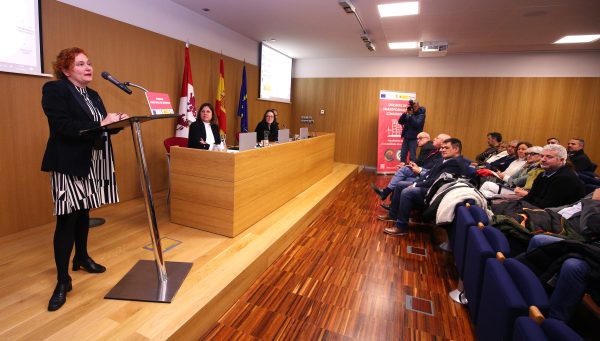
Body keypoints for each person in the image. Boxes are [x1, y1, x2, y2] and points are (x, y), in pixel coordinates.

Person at [41, 47, 128, 311]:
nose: (88, 67)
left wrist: (116, 123)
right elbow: (63, 127)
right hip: (68, 162)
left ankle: (81, 258)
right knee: (67, 219)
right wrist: (102, 124)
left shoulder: (94, 94)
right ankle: (62, 280)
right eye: (80, 64)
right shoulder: (55, 90)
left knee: (83, 213)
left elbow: (99, 129)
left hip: (92, 162)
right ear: (66, 69)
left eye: (89, 62)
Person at [382, 138, 468, 236]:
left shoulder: (455, 163)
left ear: (456, 149)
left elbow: (436, 182)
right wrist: (416, 183)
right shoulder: (445, 160)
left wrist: (415, 185)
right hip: (429, 186)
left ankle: (401, 227)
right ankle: (392, 215)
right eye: (442, 147)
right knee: (400, 184)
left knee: (407, 192)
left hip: (435, 192)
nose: (442, 150)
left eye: (446, 148)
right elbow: (428, 175)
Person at [371, 132, 446, 202]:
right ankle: (390, 201)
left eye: (420, 138)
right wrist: (409, 165)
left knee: (403, 173)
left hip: (424, 175)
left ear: (426, 138)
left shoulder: (428, 146)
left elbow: (423, 164)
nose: (417, 141)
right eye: (417, 139)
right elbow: (421, 162)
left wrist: (414, 167)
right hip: (423, 172)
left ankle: (387, 195)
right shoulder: (432, 148)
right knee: (402, 175)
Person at [520, 144, 585, 209]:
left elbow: (547, 205)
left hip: (556, 216)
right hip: (538, 210)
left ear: (561, 160)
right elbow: (530, 197)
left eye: (549, 157)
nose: (543, 160)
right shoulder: (542, 175)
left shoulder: (565, 178)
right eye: (542, 156)